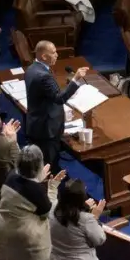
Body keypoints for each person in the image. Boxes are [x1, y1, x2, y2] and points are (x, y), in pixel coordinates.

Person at [0, 144, 64, 260]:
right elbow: (47, 213)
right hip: (26, 237)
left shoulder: (11, 176)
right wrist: (52, 187)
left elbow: (25, 184)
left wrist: (38, 179)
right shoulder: (36, 190)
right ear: (38, 166)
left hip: (3, 229)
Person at [24, 41, 87, 173]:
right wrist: (75, 79)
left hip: (36, 122)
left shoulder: (31, 68)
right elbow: (59, 99)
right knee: (48, 165)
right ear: (44, 56)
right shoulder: (43, 75)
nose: (57, 55)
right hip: (46, 128)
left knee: (43, 161)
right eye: (53, 53)